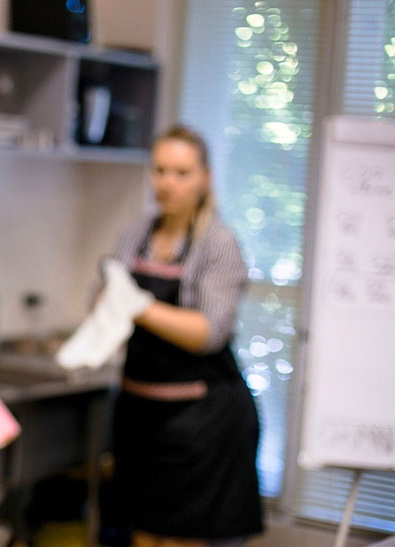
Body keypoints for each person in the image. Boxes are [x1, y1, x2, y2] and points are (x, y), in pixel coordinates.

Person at [97, 125, 264, 546]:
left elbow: (207, 332)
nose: (167, 183)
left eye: (182, 172)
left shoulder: (219, 245)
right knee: (143, 533)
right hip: (141, 420)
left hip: (203, 425)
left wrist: (139, 306)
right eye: (160, 171)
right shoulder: (135, 234)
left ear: (205, 177)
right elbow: (104, 303)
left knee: (182, 538)